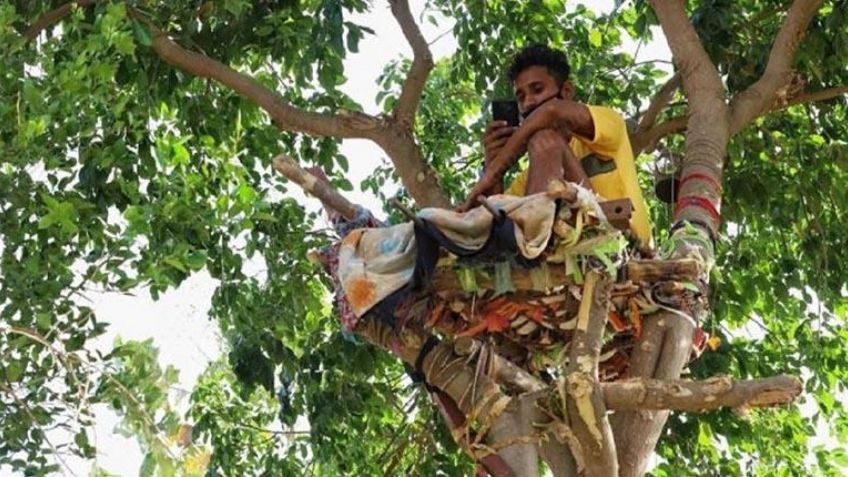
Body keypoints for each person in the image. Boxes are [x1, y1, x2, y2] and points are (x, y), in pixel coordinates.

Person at [469, 44, 653, 248]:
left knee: (546, 140)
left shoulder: (610, 126)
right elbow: (494, 221)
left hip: (622, 246)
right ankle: (532, 246)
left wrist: (495, 170)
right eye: (520, 97)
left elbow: (552, 111)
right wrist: (492, 163)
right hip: (560, 264)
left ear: (566, 91)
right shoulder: (530, 176)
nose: (528, 102)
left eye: (537, 89)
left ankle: (533, 243)